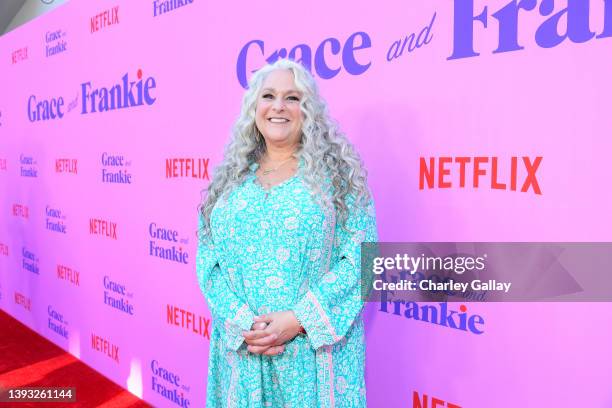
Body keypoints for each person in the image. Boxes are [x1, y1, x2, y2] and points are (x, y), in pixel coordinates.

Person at [196, 58, 377, 407]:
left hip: (313, 358)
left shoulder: (339, 179)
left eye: (292, 98)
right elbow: (208, 260)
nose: (278, 106)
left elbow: (363, 257)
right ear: (254, 108)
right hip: (245, 350)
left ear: (308, 110)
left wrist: (299, 320)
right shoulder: (230, 180)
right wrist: (243, 322)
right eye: (268, 95)